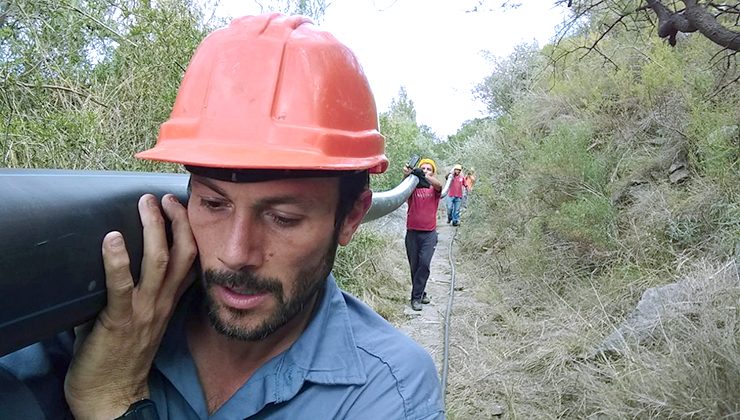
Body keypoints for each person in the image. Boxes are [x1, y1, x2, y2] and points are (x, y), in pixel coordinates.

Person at [0, 13, 444, 419]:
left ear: (349, 218)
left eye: (283, 217)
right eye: (214, 204)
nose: (235, 254)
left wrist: (115, 399)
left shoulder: (387, 391)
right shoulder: (103, 319)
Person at [402, 158, 443, 311]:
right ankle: (421, 292)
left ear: (433, 172)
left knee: (424, 264)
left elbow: (439, 185)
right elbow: (403, 187)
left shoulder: (434, 190)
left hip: (429, 234)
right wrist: (408, 174)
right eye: (423, 168)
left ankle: (415, 299)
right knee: (415, 266)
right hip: (412, 232)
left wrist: (422, 175)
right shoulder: (412, 189)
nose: (425, 170)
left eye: (428, 169)